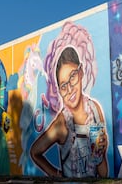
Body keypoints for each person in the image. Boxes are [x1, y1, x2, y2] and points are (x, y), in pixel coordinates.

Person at [30, 46, 108, 178]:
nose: (70, 89)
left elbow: (103, 173)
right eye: (63, 86)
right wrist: (58, 175)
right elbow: (34, 152)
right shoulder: (62, 123)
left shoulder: (95, 110)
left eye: (72, 77)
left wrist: (99, 154)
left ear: (81, 71)